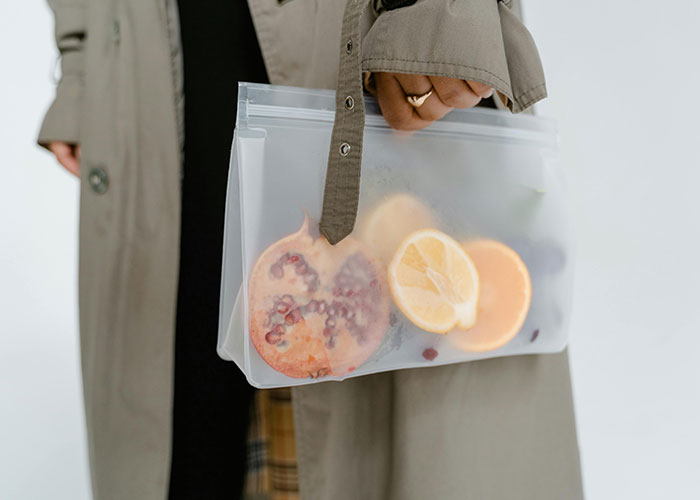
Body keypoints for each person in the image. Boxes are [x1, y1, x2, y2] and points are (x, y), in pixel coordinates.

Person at [40, 0, 583, 499]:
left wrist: (448, 12)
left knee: (412, 412)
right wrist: (82, 60)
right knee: (189, 430)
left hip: (375, 37)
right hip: (157, 59)